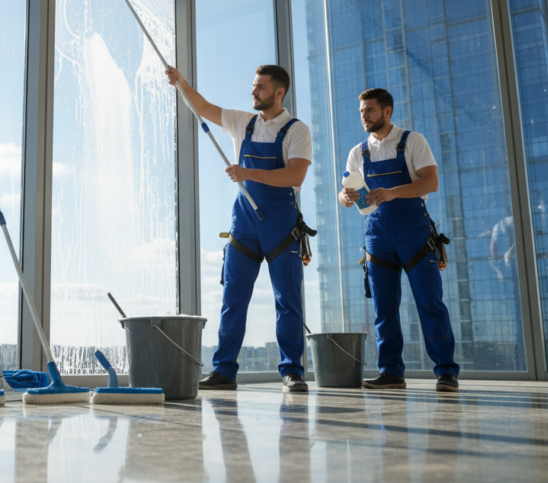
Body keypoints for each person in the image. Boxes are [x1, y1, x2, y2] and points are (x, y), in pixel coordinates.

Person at [166, 64, 313, 392]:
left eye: (260, 87)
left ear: (279, 92)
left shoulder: (296, 130)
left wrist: (249, 174)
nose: (253, 92)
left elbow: (295, 176)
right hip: (243, 224)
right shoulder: (241, 122)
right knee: (233, 298)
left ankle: (292, 371)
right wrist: (181, 84)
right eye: (253, 86)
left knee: (287, 300)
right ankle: (224, 370)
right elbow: (203, 108)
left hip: (281, 226)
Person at [338, 88, 459, 392]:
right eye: (362, 111)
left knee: (429, 302)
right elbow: (344, 197)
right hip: (377, 234)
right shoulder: (358, 152)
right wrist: (346, 197)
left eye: (370, 110)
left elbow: (430, 181)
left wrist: (392, 192)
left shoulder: (412, 141)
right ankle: (391, 371)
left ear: (387, 111)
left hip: (414, 231)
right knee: (384, 308)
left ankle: (446, 371)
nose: (364, 116)